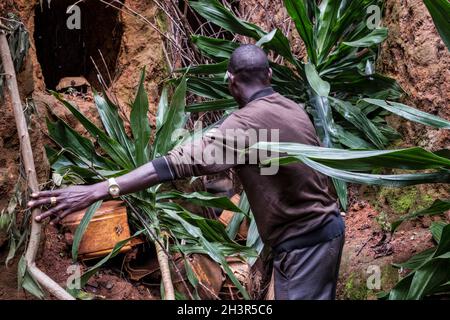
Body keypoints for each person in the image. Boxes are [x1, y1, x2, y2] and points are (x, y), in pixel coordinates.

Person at [28, 44, 345, 300]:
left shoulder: (246, 123)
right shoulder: (292, 110)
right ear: (270, 75)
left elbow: (174, 163)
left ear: (230, 80)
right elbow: (272, 167)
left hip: (305, 245)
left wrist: (98, 189)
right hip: (326, 233)